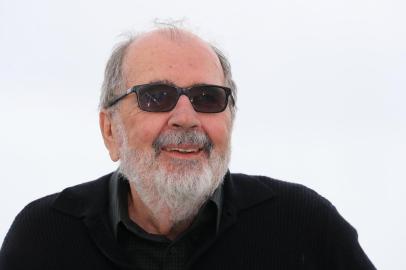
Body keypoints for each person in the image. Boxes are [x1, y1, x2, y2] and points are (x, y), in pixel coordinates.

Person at [0, 26, 376, 270]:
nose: (186, 117)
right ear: (110, 130)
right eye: (157, 96)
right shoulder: (44, 238)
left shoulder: (305, 227)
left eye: (207, 97)